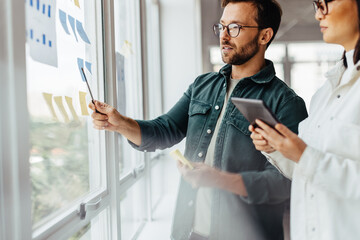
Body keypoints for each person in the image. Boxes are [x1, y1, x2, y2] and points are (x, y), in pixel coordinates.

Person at [90, 0, 308, 239]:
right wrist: (120, 123)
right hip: (189, 231)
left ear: (265, 35)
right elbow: (165, 130)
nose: (224, 36)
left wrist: (222, 180)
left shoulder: (286, 103)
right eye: (221, 26)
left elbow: (287, 182)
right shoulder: (202, 86)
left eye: (234, 27)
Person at [249, 0, 360, 239]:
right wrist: (277, 149)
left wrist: (303, 154)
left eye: (326, 3)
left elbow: (313, 162)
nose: (319, 14)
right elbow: (307, 171)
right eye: (316, 4)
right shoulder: (323, 94)